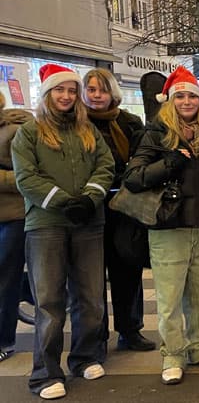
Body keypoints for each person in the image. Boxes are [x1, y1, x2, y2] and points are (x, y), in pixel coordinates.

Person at [11, 64, 115, 400]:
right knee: (49, 301)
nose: (67, 96)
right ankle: (45, 373)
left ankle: (84, 356)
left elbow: (106, 165)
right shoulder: (29, 131)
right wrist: (61, 201)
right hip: (46, 225)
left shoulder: (87, 130)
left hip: (88, 222)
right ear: (47, 94)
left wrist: (90, 197)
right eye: (60, 90)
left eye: (72, 90)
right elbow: (26, 177)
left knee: (90, 296)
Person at [124, 66, 199, 386]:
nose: (187, 101)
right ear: (170, 101)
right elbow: (134, 177)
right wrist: (173, 159)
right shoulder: (156, 133)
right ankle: (172, 354)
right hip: (169, 228)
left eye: (192, 96)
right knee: (170, 298)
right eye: (180, 96)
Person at [82, 68, 155, 354]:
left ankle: (130, 329)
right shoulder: (77, 122)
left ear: (113, 92)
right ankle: (95, 334)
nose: (97, 95)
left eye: (102, 90)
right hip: (90, 209)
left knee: (127, 270)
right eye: (91, 90)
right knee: (91, 277)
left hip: (123, 208)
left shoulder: (129, 122)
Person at [0, 92, 33, 363]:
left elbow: (26, 174)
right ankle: (28, 290)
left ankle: (4, 339)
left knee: (5, 278)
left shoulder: (13, 132)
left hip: (12, 215)